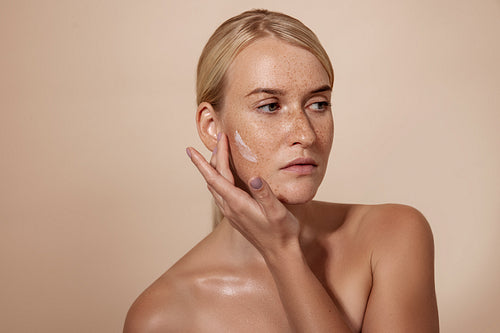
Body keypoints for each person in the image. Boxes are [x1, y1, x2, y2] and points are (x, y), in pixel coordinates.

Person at [124, 9, 439, 332]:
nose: (305, 134)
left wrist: (282, 252)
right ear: (211, 126)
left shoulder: (390, 235)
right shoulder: (163, 315)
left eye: (318, 104)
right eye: (270, 106)